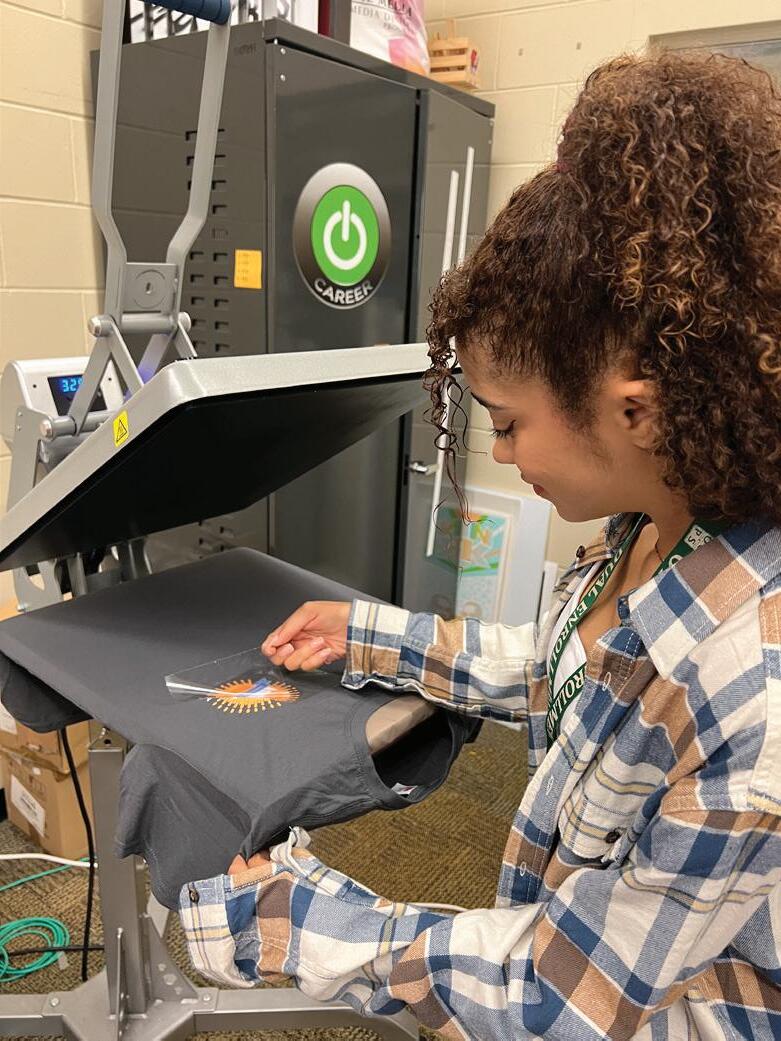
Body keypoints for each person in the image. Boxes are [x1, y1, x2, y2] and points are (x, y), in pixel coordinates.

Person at [179, 51, 781, 1039]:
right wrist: (371, 636)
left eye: (505, 423)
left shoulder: (749, 692)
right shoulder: (657, 524)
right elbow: (572, 669)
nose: (498, 452)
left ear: (636, 409)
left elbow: (564, 994)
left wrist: (301, 920)